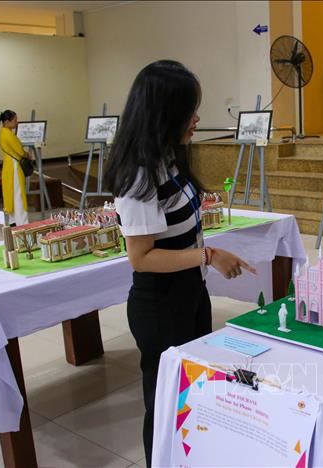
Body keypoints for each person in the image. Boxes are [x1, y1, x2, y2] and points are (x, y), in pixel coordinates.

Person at [104, 60, 256, 467]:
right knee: (165, 401)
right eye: (189, 110)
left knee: (194, 394)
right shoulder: (138, 176)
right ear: (163, 113)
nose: (196, 119)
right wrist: (208, 256)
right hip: (160, 304)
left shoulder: (169, 158)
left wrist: (203, 262)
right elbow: (142, 257)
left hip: (190, 291)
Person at [0, 110, 33, 226]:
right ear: (7, 121)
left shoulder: (3, 132)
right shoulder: (8, 134)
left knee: (11, 193)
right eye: (15, 120)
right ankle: (22, 223)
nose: (17, 123)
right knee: (18, 194)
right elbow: (20, 151)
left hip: (8, 165)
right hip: (14, 166)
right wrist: (28, 155)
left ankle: (13, 221)